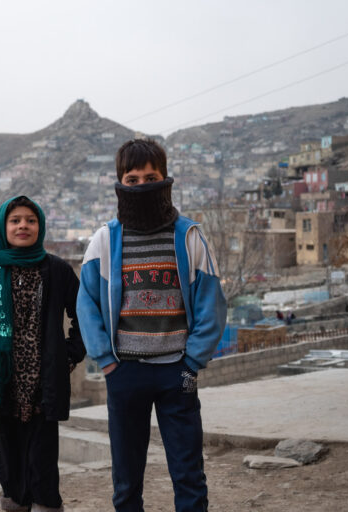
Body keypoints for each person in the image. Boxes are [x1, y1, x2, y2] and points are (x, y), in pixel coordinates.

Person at [77, 139, 227, 512]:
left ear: (165, 178)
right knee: (126, 480)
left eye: (151, 176)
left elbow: (212, 305)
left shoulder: (189, 237)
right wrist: (107, 363)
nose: (142, 185)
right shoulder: (104, 241)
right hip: (125, 373)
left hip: (178, 374)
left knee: (188, 474)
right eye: (132, 178)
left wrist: (192, 364)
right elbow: (87, 306)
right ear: (119, 182)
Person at [0, 195, 85, 512]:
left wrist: (69, 356)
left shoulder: (56, 269)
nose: (23, 226)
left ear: (40, 226)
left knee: (43, 461)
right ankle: (15, 504)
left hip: (44, 383)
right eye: (15, 220)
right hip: (4, 381)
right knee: (11, 461)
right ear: (4, 226)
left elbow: (84, 314)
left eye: (30, 219)